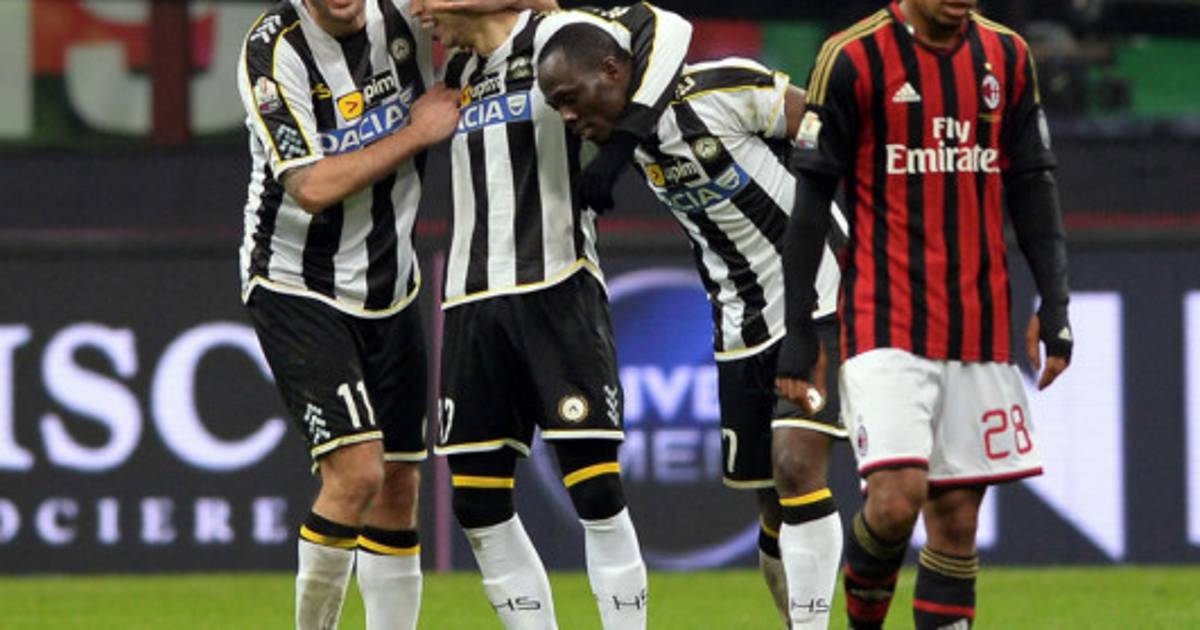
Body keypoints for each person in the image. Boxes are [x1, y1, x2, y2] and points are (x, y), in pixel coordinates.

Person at [536, 28, 850, 628]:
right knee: (771, 501)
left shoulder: (718, 89)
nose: (568, 116)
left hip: (820, 298)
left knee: (796, 466)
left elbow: (827, 131)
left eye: (572, 98)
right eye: (558, 107)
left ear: (613, 71)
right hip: (737, 327)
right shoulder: (629, 145)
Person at [777, 1, 1073, 628]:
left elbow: (1032, 183)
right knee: (895, 502)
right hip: (884, 316)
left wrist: (1055, 303)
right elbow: (810, 203)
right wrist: (799, 330)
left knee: (958, 519)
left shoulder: (1008, 55)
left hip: (979, 321)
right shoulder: (851, 57)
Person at [407, 1, 690, 628]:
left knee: (595, 489)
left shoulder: (554, 35)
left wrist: (620, 146)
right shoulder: (455, 70)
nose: (419, 12)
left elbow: (671, 29)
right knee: (477, 504)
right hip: (470, 302)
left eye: (428, 0)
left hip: (557, 288)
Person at [235, 0, 459, 628]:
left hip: (393, 284)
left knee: (399, 486)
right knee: (358, 472)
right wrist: (414, 131)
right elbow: (311, 187)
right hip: (297, 282)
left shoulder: (403, 13)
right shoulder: (274, 50)